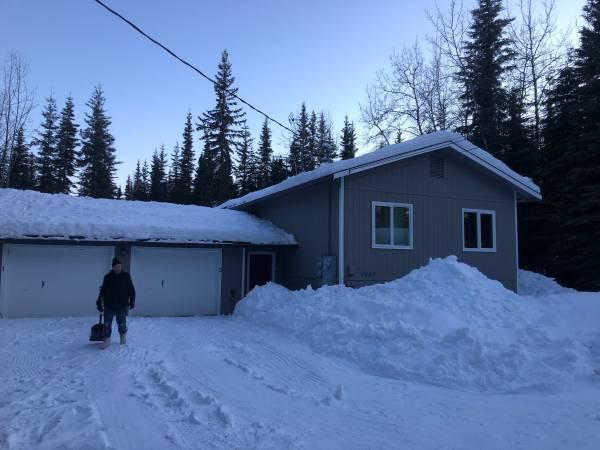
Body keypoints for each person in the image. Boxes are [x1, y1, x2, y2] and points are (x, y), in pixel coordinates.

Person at [96, 257, 136, 349]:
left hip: (122, 305)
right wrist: (99, 302)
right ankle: (107, 339)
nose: (118, 268)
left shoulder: (126, 276)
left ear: (121, 266)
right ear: (113, 267)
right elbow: (102, 291)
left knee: (122, 323)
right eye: (116, 266)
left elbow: (132, 290)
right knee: (107, 323)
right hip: (109, 304)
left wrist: (132, 301)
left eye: (119, 266)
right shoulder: (107, 277)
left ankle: (122, 337)